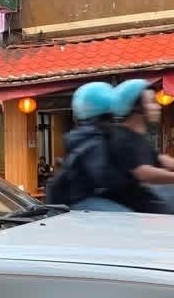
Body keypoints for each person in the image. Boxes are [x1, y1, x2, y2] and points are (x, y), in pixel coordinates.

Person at [103, 78, 174, 214]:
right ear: (137, 109)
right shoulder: (120, 137)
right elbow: (143, 172)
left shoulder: (138, 137)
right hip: (132, 209)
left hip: (145, 201)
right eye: (152, 102)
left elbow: (162, 160)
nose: (158, 107)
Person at [46, 81, 124, 211]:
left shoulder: (86, 133)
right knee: (127, 216)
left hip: (78, 198)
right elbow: (103, 176)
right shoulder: (94, 137)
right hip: (81, 200)